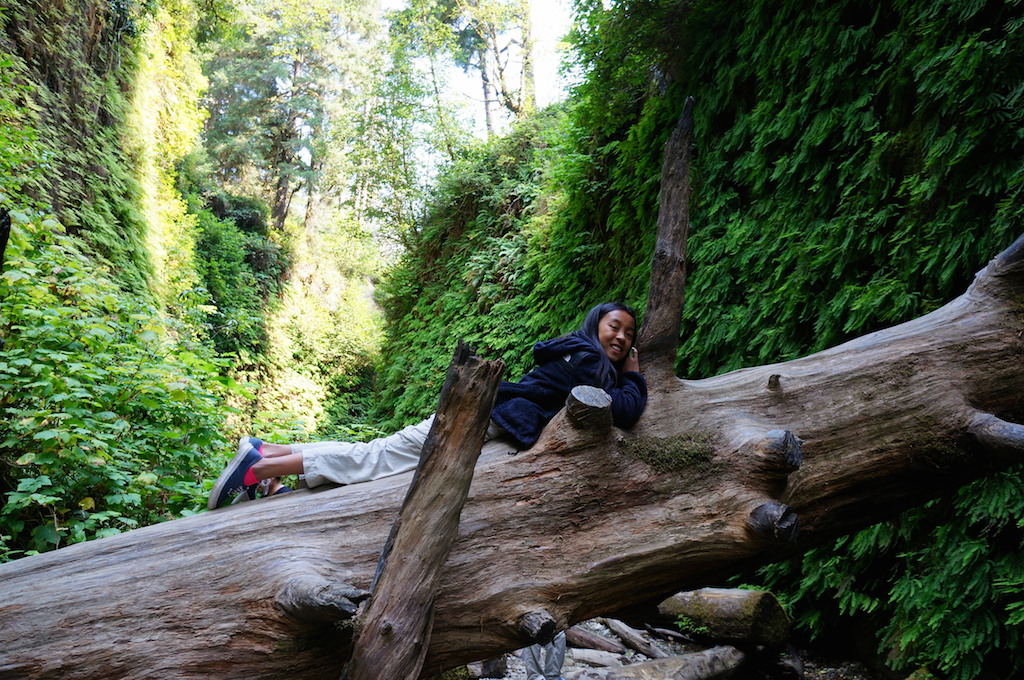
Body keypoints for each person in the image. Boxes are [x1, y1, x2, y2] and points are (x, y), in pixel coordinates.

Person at [208, 302, 648, 509]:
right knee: (375, 457)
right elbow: (624, 410)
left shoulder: (576, 353)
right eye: (616, 327)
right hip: (480, 421)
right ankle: (258, 469)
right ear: (596, 324)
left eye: (630, 334)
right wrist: (633, 372)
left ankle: (267, 452)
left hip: (482, 418)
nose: (622, 338)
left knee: (378, 450)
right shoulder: (588, 359)